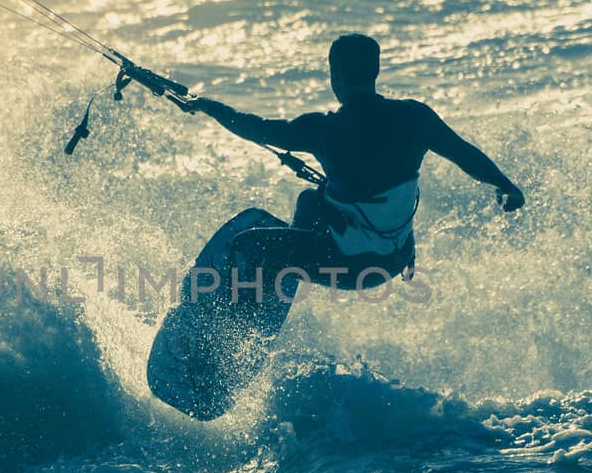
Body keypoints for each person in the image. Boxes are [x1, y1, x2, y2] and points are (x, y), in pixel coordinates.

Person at [132, 33, 523, 302]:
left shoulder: (326, 129)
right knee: (310, 198)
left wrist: (204, 103)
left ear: (334, 77)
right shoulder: (414, 117)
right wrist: (506, 185)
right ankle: (284, 273)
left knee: (245, 246)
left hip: (349, 268)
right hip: (393, 260)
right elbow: (465, 154)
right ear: (375, 73)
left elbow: (253, 128)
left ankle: (233, 336)